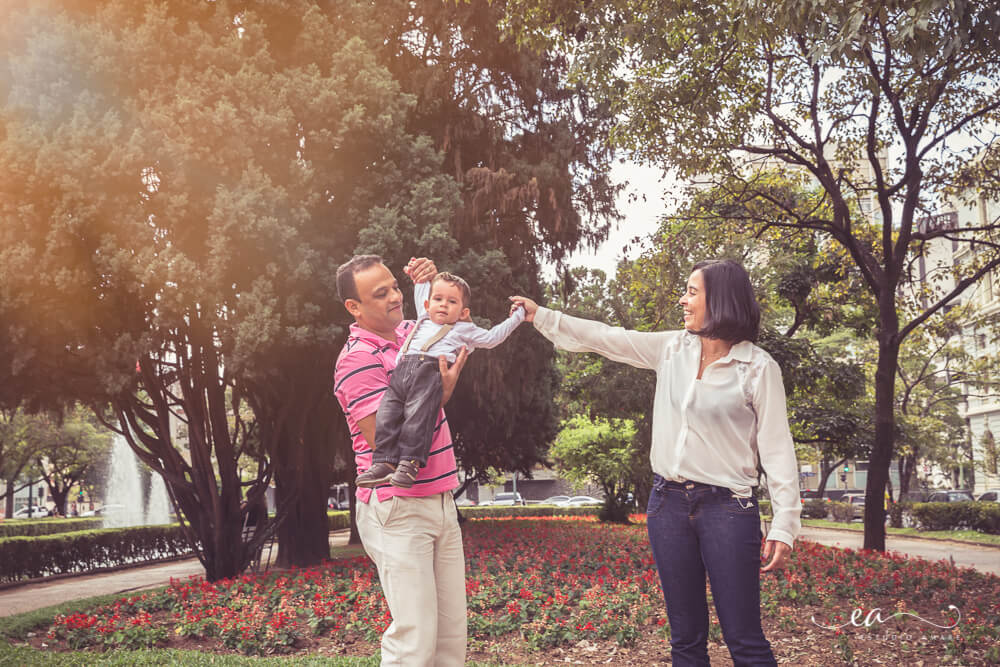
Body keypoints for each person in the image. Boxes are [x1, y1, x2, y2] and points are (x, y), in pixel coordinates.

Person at [510, 259, 801, 667]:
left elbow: (777, 450)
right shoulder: (672, 349)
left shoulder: (757, 368)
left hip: (728, 509)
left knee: (744, 638)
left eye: (692, 292)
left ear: (721, 300)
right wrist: (541, 315)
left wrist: (786, 524)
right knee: (685, 638)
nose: (683, 300)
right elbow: (607, 337)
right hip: (667, 505)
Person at [333, 255, 468, 667]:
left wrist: (432, 284)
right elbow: (384, 444)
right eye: (381, 293)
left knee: (449, 640)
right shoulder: (357, 360)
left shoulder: (412, 333)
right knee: (415, 641)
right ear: (353, 308)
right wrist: (438, 395)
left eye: (394, 286)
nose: (395, 298)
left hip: (441, 500)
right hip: (398, 508)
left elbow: (459, 320)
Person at [357, 271, 525, 488]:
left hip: (429, 371)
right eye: (438, 299)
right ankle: (384, 461)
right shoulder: (423, 318)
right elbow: (421, 286)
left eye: (452, 301)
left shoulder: (464, 329)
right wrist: (418, 272)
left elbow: (493, 338)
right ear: (428, 304)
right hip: (402, 372)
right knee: (386, 415)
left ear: (463, 311)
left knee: (417, 416)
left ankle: (409, 464)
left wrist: (518, 316)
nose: (443, 305)